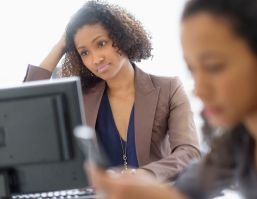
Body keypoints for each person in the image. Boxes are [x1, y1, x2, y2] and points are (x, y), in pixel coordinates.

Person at [83, 0, 257, 198]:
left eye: (214, 67)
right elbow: (189, 188)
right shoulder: (242, 139)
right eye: (192, 70)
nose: (199, 91)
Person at [23, 0, 200, 181]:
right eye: (84, 52)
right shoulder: (80, 97)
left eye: (101, 44)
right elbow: (27, 106)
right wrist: (60, 45)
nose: (96, 59)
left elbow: (189, 152)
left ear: (121, 37)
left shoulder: (168, 89)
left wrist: (145, 174)